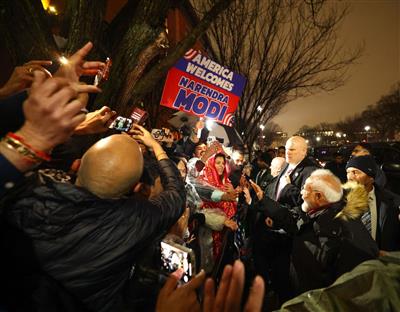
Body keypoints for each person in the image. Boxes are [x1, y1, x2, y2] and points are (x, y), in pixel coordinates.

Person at [2, 126, 186, 312]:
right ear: (137, 188)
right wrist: (156, 147)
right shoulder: (138, 220)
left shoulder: (31, 189)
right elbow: (177, 194)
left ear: (78, 164)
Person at [253, 169, 379, 296]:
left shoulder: (335, 231)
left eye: (305, 189)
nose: (301, 193)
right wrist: (263, 199)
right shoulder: (321, 213)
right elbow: (293, 219)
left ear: (318, 196)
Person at [346, 155, 400, 251]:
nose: (350, 177)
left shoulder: (393, 203)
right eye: (348, 172)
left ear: (371, 178)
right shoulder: (339, 202)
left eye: (355, 172)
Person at [198, 153, 238, 272]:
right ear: (211, 164)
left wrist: (234, 193)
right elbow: (209, 197)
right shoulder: (203, 182)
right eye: (217, 163)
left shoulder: (227, 182)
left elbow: (233, 205)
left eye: (223, 163)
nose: (221, 166)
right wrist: (226, 196)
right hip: (209, 232)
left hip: (225, 233)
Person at [274, 136, 319, 207]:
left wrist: (288, 187)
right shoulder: (286, 164)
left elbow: (307, 203)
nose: (287, 152)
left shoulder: (312, 171)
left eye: (292, 149)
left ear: (303, 151)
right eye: (286, 149)